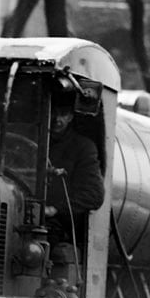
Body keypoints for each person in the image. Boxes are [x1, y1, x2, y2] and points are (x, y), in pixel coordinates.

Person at [44, 93, 106, 238]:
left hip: (57, 224)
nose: (57, 119)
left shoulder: (83, 147)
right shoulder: (28, 138)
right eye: (53, 112)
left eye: (63, 114)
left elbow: (94, 195)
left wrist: (55, 209)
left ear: (71, 117)